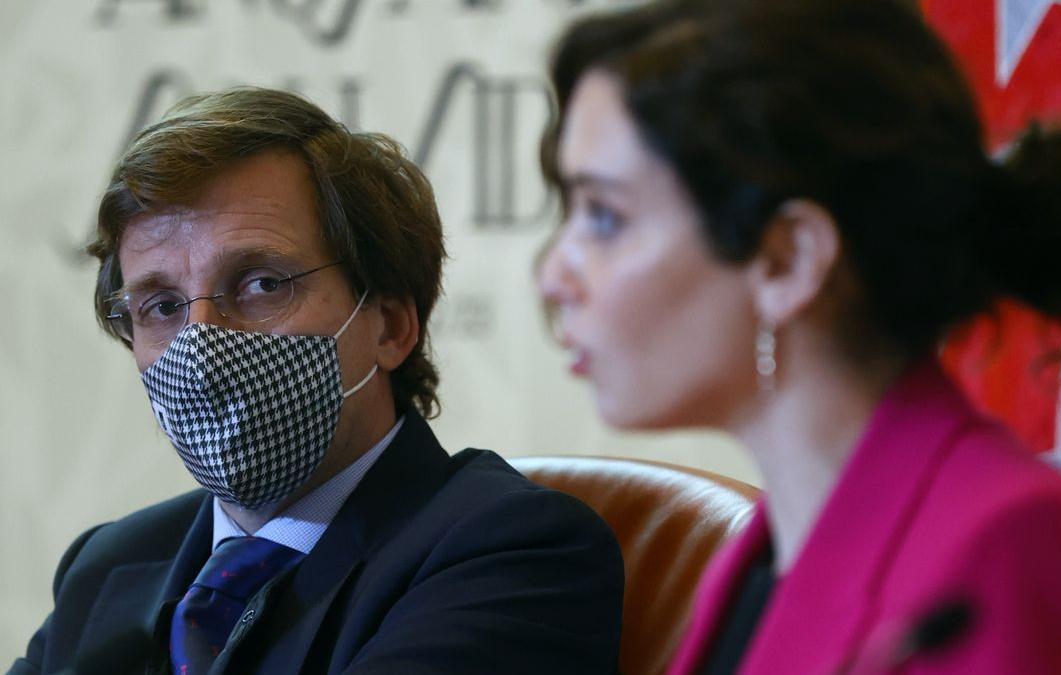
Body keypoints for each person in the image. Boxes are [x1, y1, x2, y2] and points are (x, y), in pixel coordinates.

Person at [536, 0, 1061, 673]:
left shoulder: (1022, 551)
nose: (555, 275)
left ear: (789, 259)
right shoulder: (759, 554)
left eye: (604, 218)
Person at [11, 87, 623, 675]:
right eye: (164, 306)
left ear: (390, 326)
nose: (201, 344)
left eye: (262, 284)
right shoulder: (109, 564)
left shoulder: (514, 553)